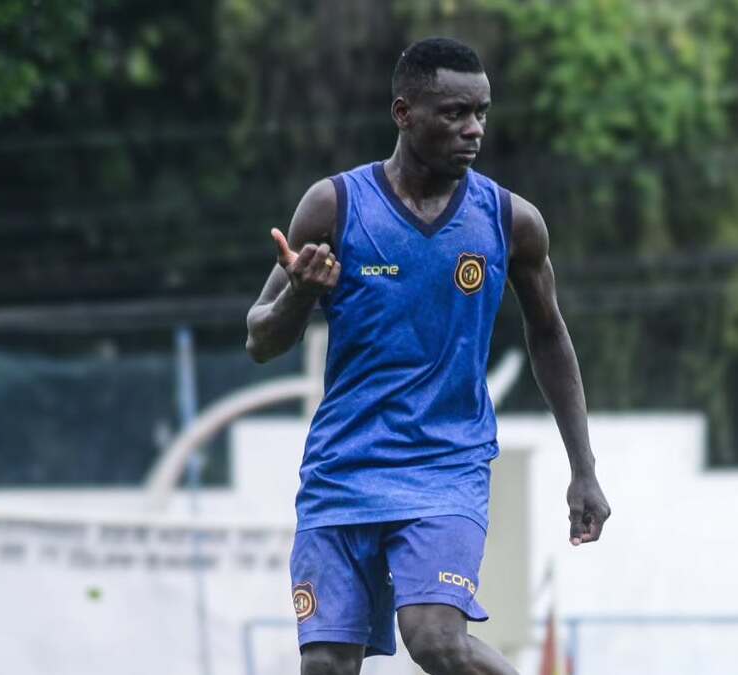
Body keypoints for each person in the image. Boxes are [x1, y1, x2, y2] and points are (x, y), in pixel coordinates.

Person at [246, 36, 610, 675]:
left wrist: (583, 467)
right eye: (454, 113)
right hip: (343, 469)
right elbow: (260, 340)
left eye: (482, 113)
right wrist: (302, 293)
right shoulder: (334, 206)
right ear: (403, 112)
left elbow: (549, 334)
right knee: (327, 665)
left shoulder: (510, 221)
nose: (474, 130)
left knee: (436, 638)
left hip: (447, 464)